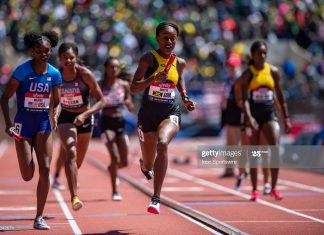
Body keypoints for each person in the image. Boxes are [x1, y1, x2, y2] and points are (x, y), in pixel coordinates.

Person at [130, 22, 196, 214]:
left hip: (170, 112)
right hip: (147, 115)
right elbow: (133, 87)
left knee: (163, 143)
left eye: (173, 38)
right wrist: (152, 79)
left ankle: (156, 198)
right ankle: (144, 165)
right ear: (157, 38)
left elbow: (179, 78)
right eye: (165, 37)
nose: (169, 41)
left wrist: (184, 97)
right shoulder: (148, 59)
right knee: (149, 162)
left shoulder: (180, 62)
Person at [0, 31, 61, 230]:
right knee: (27, 174)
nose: (43, 54)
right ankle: (30, 155)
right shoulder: (22, 71)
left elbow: (58, 101)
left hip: (43, 123)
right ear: (32, 51)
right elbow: (4, 97)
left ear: (51, 51)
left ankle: (39, 217)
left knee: (45, 169)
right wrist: (8, 123)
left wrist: (55, 113)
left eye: (47, 51)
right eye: (39, 51)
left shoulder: (54, 74)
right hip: (23, 125)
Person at [54, 41, 105, 210]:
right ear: (59, 59)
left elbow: (101, 101)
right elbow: (57, 100)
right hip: (66, 117)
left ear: (76, 58)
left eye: (71, 58)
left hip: (85, 117)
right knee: (71, 151)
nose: (68, 61)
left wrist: (84, 115)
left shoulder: (85, 74)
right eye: (64, 58)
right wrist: (55, 113)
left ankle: (71, 179)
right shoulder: (56, 76)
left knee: (77, 163)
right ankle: (74, 197)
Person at [241, 40, 292, 201]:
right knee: (254, 154)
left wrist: (286, 118)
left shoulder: (273, 71)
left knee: (275, 148)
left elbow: (281, 97)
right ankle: (255, 189)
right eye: (258, 53)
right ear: (253, 55)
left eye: (264, 53)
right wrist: (249, 118)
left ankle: (274, 187)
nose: (262, 56)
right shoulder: (248, 74)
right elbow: (244, 100)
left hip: (270, 114)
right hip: (254, 116)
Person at [99, 57, 134, 201]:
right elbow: (92, 101)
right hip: (106, 124)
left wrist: (128, 103)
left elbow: (129, 102)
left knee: (124, 162)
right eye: (111, 67)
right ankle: (114, 191)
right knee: (114, 158)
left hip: (120, 123)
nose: (114, 70)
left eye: (117, 67)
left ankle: (112, 169)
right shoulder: (100, 85)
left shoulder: (124, 85)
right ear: (106, 69)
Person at [220, 52, 242, 179]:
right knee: (230, 144)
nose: (230, 69)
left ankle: (243, 171)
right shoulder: (229, 80)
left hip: (239, 116)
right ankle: (229, 170)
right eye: (229, 66)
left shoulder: (241, 79)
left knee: (240, 145)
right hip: (230, 115)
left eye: (233, 66)